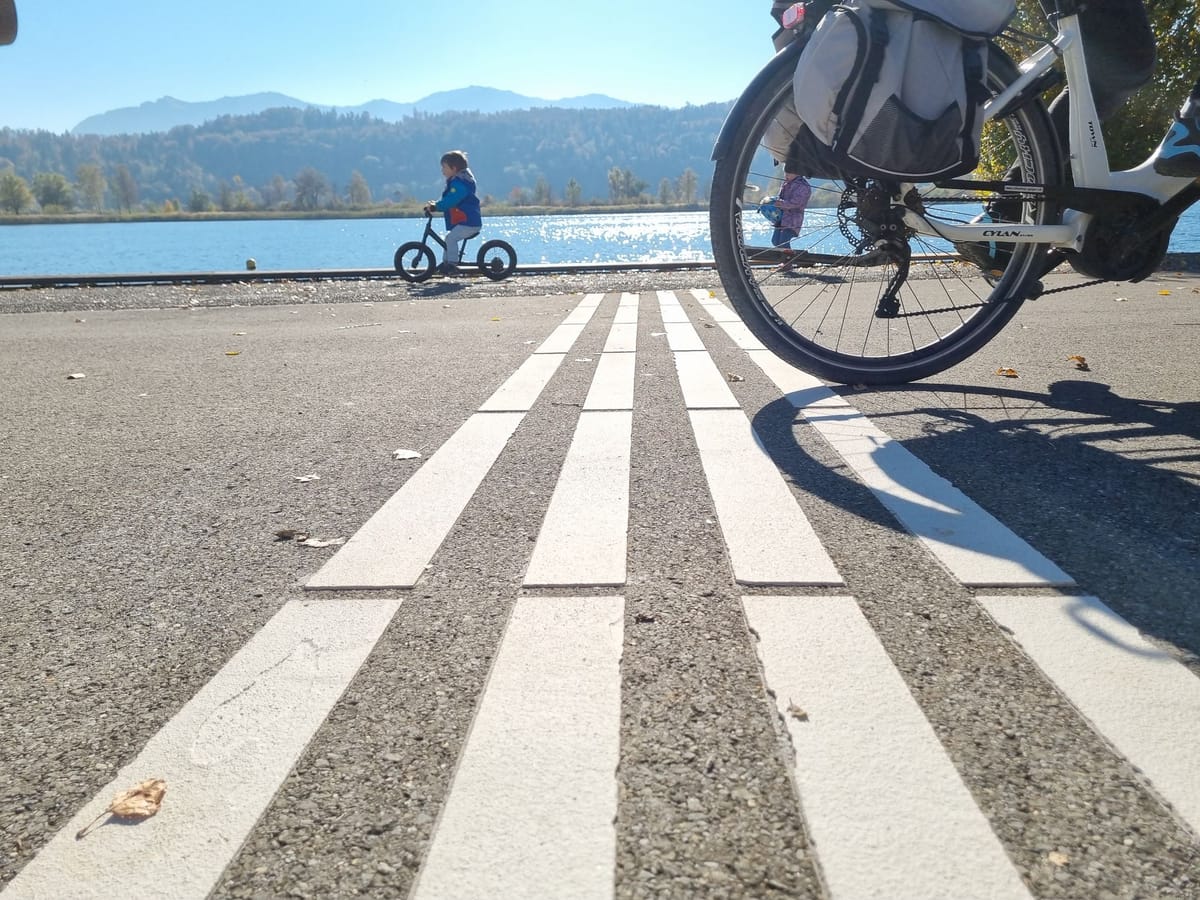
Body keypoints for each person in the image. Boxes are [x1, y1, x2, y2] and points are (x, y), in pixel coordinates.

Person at [423, 150, 482, 276]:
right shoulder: (458, 181)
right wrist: (435, 204)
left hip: (470, 222)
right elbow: (447, 199)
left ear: (453, 168)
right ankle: (446, 264)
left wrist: (436, 207)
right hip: (465, 221)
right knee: (449, 239)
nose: (442, 170)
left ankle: (452, 265)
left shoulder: (459, 184)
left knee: (450, 238)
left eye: (444, 167)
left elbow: (451, 200)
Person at [770, 163, 812, 248]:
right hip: (781, 218)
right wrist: (773, 201)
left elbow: (796, 203)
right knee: (775, 241)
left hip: (793, 220)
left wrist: (781, 204)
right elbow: (780, 197)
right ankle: (784, 258)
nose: (786, 175)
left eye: (788, 173)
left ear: (797, 173)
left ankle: (789, 259)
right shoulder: (786, 183)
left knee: (784, 242)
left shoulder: (803, 186)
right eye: (785, 173)